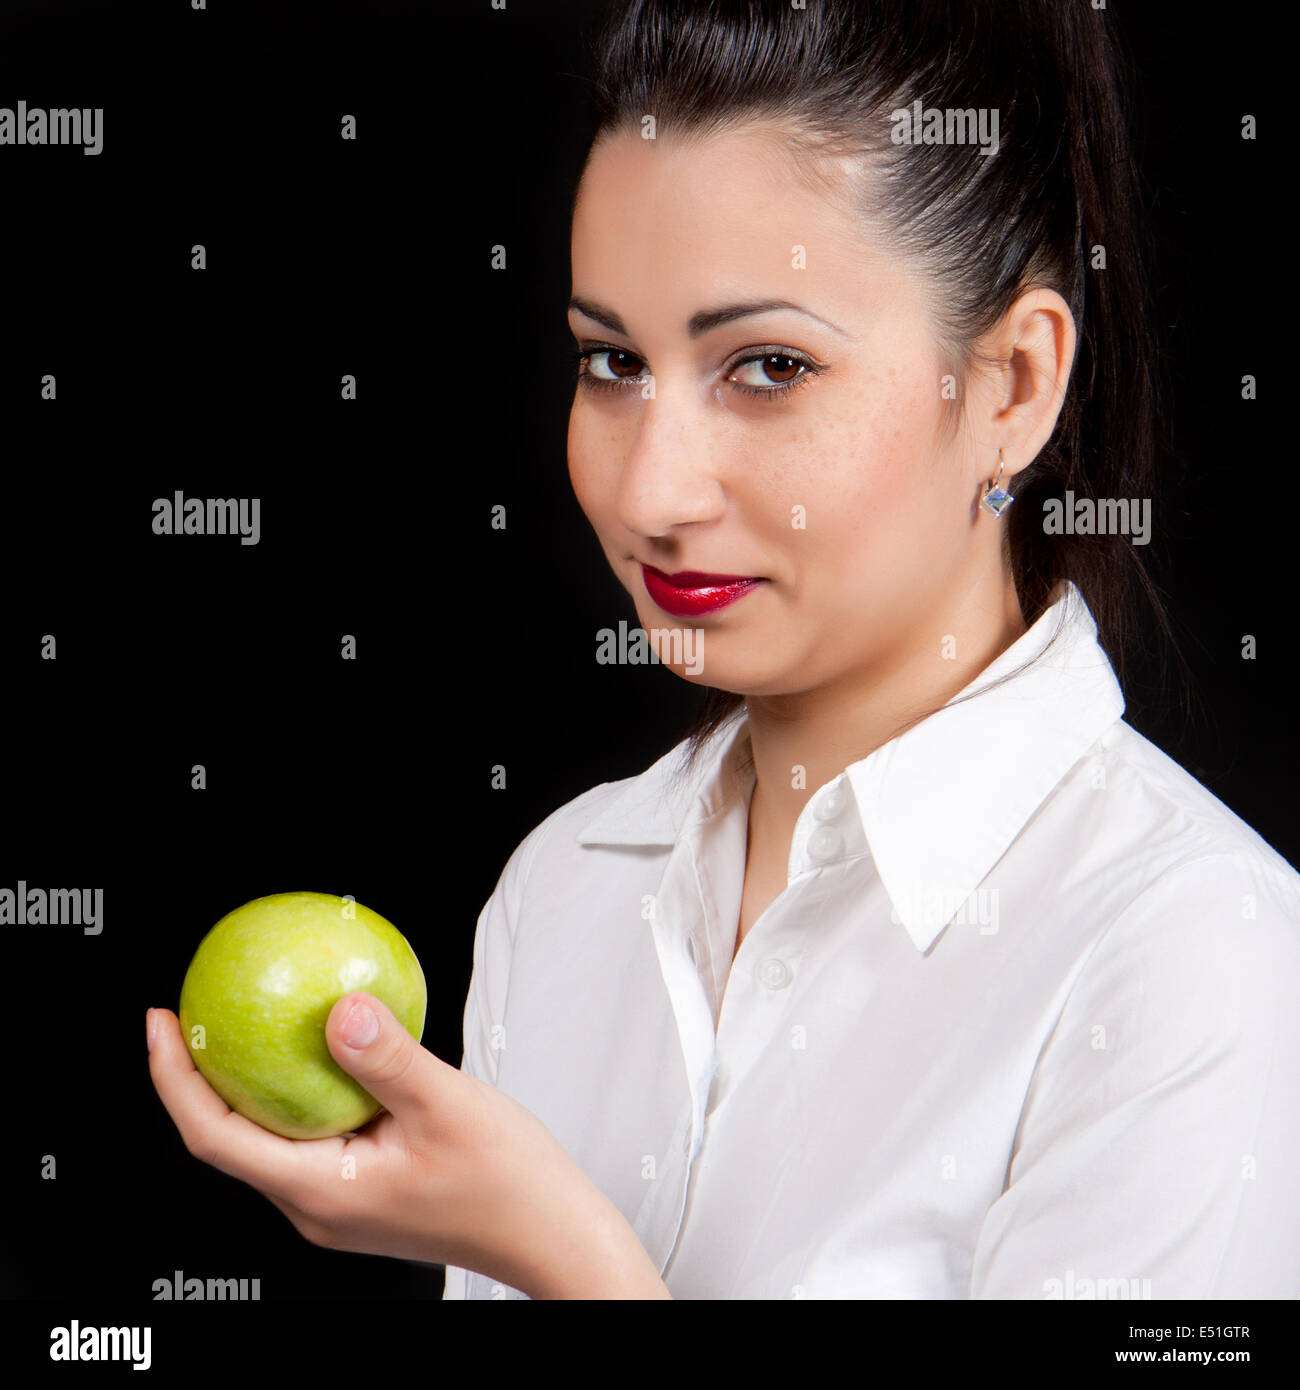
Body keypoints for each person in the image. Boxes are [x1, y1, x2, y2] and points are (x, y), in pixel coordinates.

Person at [150, 0, 1300, 1300]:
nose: (652, 492)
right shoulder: (563, 887)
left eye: (766, 367)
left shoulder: (1194, 950)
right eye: (611, 362)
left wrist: (562, 1253)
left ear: (1013, 386)